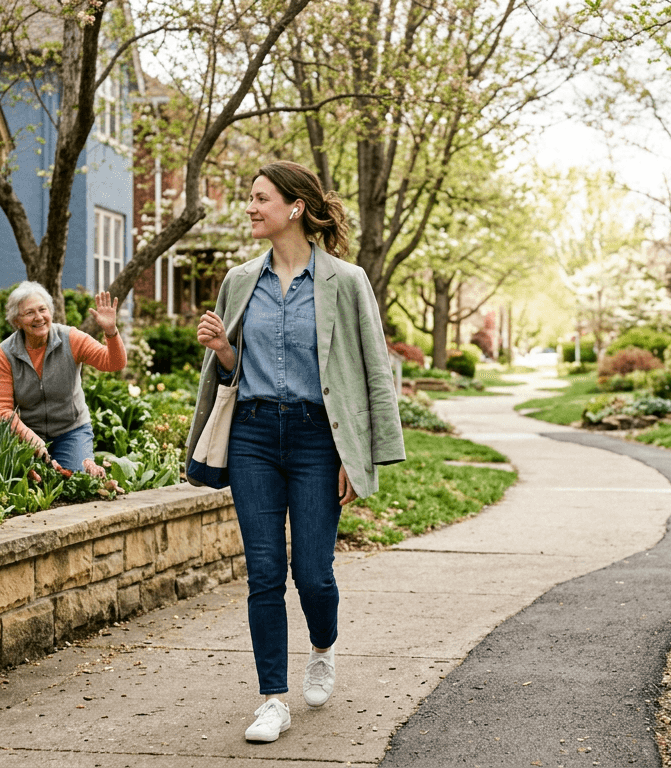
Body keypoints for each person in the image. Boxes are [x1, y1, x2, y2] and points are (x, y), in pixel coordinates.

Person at [187, 161, 406, 744]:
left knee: (313, 574)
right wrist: (220, 349)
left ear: (295, 208)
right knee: (264, 572)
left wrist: (362, 459)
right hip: (254, 435)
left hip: (317, 439)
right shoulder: (240, 280)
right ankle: (272, 700)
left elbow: (373, 372)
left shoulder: (347, 280)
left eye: (261, 199)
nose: (251, 208)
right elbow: (237, 371)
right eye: (250, 198)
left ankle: (323, 648)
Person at [0, 283, 124, 477]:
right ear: (17, 321)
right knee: (29, 484)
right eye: (29, 313)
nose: (38, 317)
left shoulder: (70, 339)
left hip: (71, 431)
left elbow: (114, 363)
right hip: (27, 432)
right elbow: (3, 410)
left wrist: (111, 332)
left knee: (75, 482)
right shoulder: (6, 353)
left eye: (42, 309)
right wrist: (30, 439)